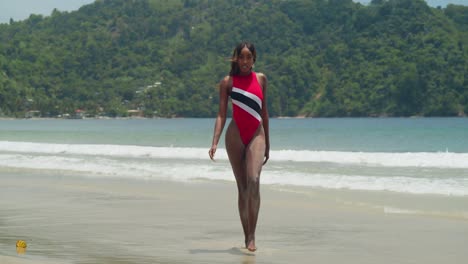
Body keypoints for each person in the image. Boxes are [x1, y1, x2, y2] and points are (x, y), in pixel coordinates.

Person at [209, 41, 270, 252]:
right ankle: (247, 237)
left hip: (257, 134)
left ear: (254, 59)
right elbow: (221, 114)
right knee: (242, 188)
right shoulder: (228, 82)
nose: (245, 61)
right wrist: (215, 141)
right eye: (241, 57)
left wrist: (268, 144)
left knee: (253, 180)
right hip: (235, 136)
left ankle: (253, 234)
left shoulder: (261, 79)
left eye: (248, 57)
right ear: (236, 58)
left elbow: (264, 113)